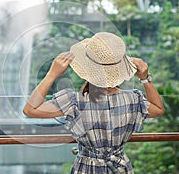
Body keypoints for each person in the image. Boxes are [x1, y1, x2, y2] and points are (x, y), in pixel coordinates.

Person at [23, 32, 164, 174]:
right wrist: (145, 78)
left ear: (87, 68)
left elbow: (30, 110)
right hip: (121, 168)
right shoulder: (133, 99)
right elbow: (158, 109)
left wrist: (52, 74)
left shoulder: (74, 102)